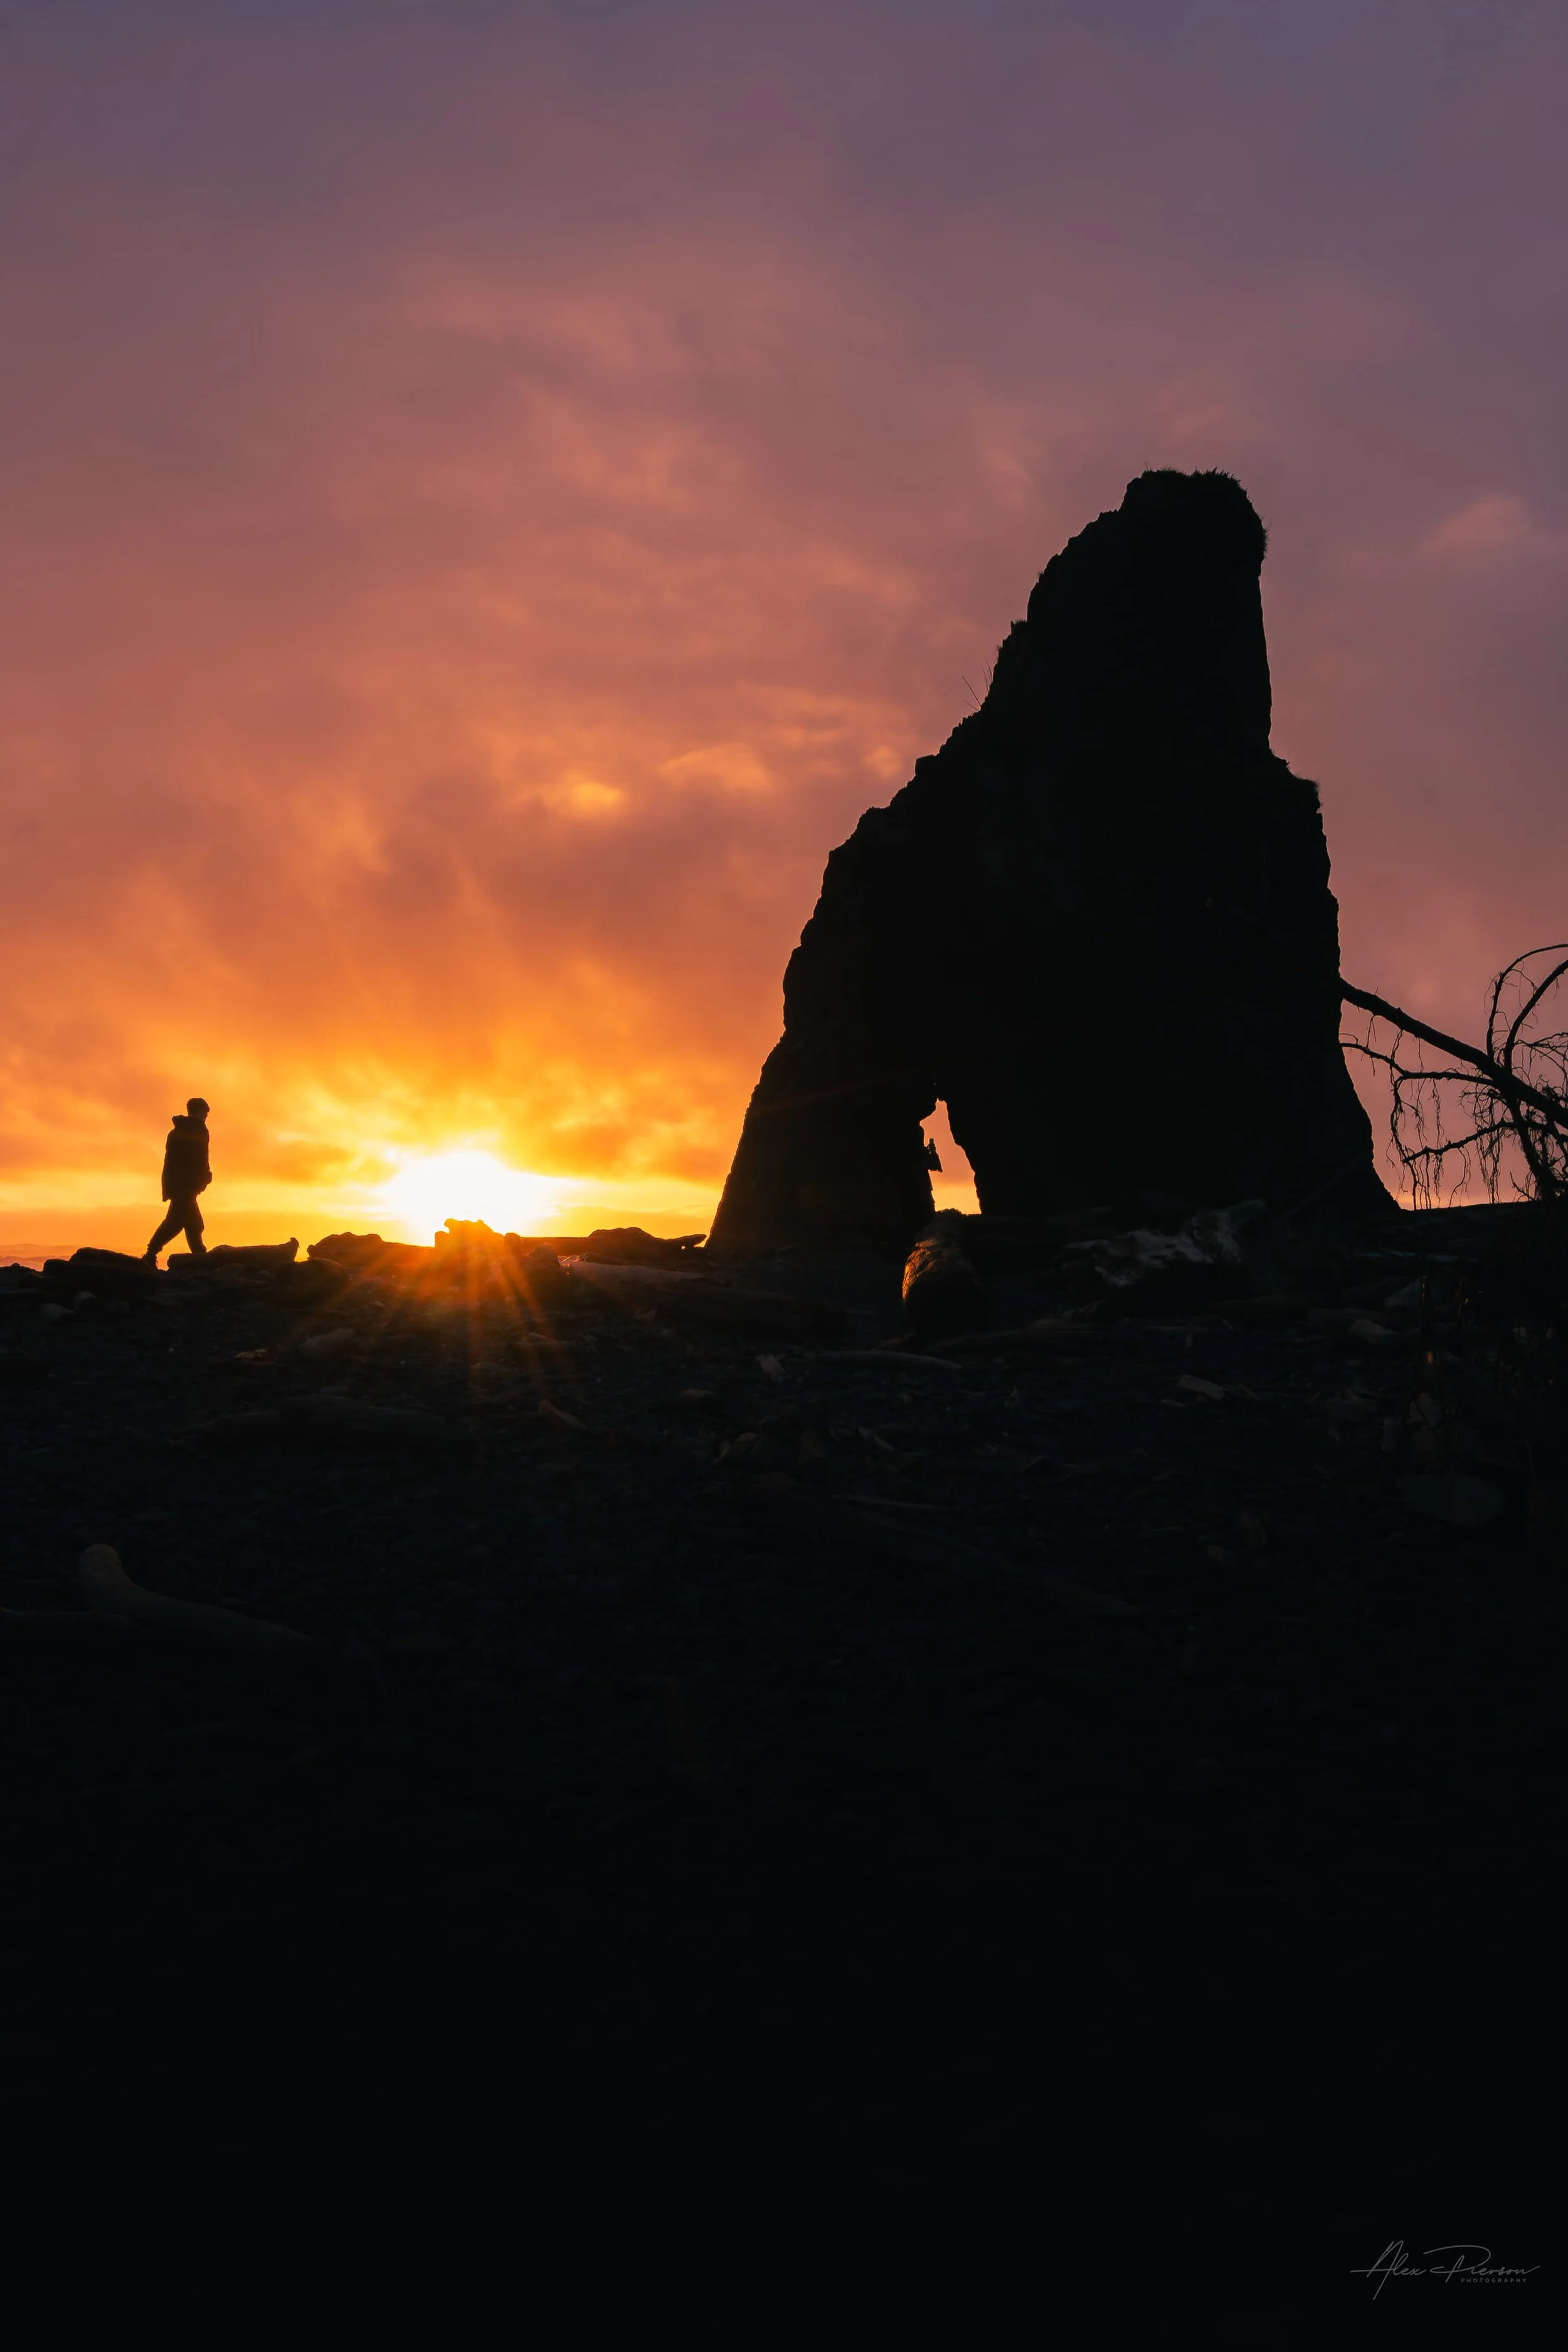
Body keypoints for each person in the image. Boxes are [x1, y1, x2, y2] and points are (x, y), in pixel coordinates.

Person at [144, 1098, 212, 1263]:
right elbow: (200, 1157)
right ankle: (150, 1254)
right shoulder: (200, 1129)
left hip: (175, 1184)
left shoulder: (175, 1132)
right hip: (187, 1186)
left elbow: (171, 1161)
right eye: (206, 1114)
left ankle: (199, 1256)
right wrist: (206, 1175)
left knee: (193, 1223)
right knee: (176, 1223)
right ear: (202, 1112)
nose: (206, 1117)